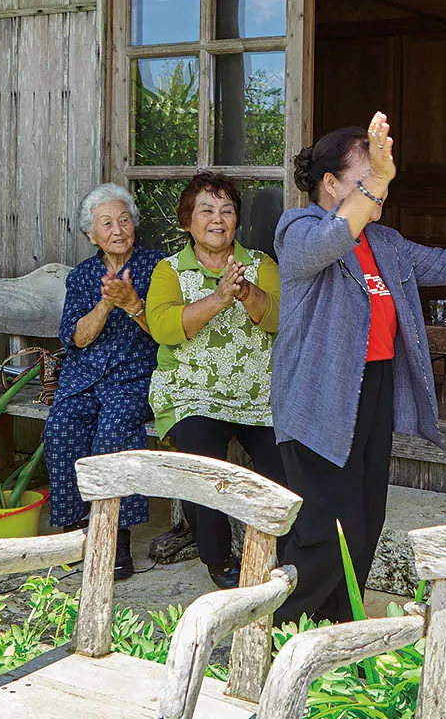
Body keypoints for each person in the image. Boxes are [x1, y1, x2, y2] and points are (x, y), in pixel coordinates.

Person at [272, 112, 446, 623]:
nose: (379, 190)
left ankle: (336, 631)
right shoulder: (299, 228)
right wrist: (377, 182)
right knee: (325, 527)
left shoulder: (387, 244)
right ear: (331, 186)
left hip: (369, 391)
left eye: (380, 177)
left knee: (365, 520)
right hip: (317, 398)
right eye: (365, 177)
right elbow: (328, 243)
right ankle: (283, 635)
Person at [145, 172, 286, 590]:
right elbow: (163, 326)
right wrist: (219, 298)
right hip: (193, 393)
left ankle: (282, 551)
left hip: (258, 394)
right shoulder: (169, 270)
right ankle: (218, 556)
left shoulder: (261, 265)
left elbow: (280, 318)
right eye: (206, 210)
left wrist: (245, 293)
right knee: (203, 459)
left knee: (283, 461)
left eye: (227, 210)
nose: (218, 219)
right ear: (188, 221)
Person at [43, 183, 165, 580]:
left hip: (134, 376)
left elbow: (167, 333)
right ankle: (76, 533)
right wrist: (106, 302)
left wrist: (133, 305)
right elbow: (77, 338)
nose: (118, 229)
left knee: (112, 433)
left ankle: (116, 538)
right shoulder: (83, 277)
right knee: (61, 428)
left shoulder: (158, 267)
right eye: (107, 223)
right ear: (91, 235)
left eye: (124, 219)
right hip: (83, 377)